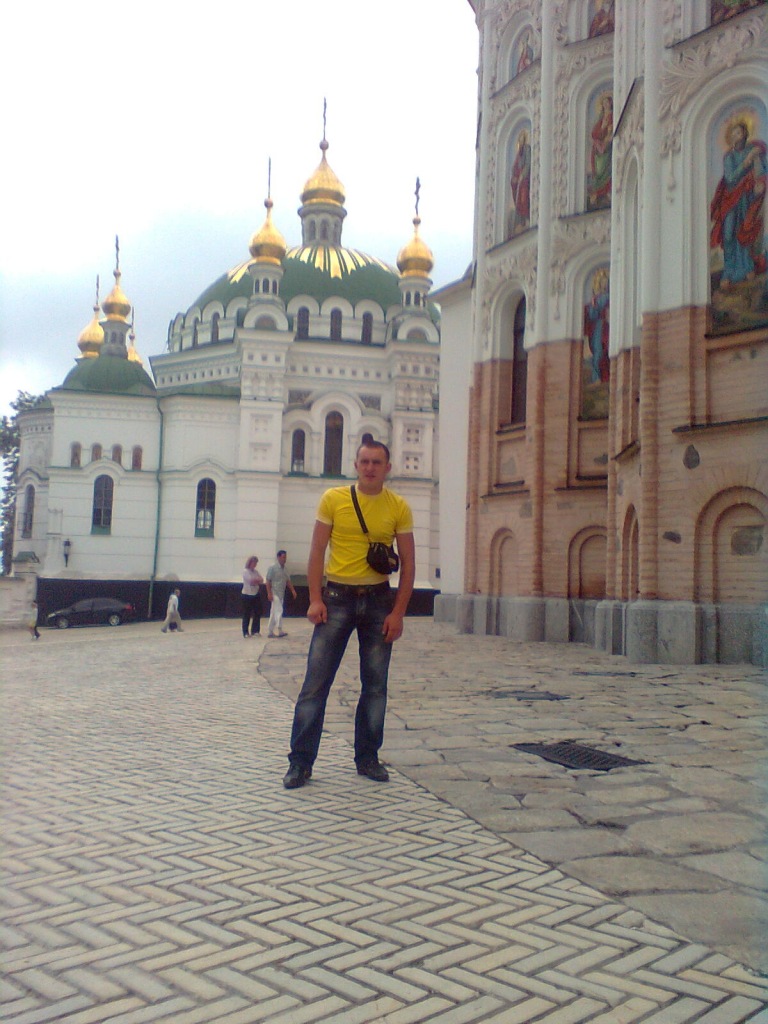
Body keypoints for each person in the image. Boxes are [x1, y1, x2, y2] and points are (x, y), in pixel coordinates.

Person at [283, 437, 415, 789]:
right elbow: (317, 550)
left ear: (387, 468)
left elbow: (409, 563)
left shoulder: (398, 506)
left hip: (378, 601)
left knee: (375, 686)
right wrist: (315, 599)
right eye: (364, 461)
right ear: (355, 465)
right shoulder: (333, 499)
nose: (370, 468)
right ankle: (300, 762)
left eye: (377, 462)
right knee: (315, 684)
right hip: (337, 598)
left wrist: (398, 613)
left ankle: (368, 757)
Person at [710, 119, 767, 290]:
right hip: (729, 200)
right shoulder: (729, 157)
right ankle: (729, 271)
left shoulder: (751, 150)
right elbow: (731, 178)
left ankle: (747, 267)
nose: (736, 136)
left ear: (745, 134)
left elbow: (762, 165)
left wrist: (760, 181)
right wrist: (746, 162)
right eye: (733, 133)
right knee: (728, 234)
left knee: (744, 231)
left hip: (746, 198)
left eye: (739, 132)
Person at [266, 550, 297, 638]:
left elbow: (288, 581)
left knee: (273, 612)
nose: (285, 559)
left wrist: (293, 590)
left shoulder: (285, 569)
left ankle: (270, 631)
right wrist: (269, 593)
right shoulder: (272, 568)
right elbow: (268, 581)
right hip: (275, 592)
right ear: (278, 557)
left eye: (285, 557)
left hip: (281, 593)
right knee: (279, 610)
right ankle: (279, 630)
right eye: (283, 557)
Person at [241, 556, 264, 637]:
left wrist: (257, 581)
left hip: (255, 594)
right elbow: (251, 581)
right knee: (247, 613)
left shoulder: (256, 572)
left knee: (257, 612)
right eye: (254, 562)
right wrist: (257, 581)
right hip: (247, 595)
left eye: (256, 563)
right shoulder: (245, 571)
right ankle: (245, 632)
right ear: (250, 562)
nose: (255, 564)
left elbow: (261, 580)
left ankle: (255, 630)